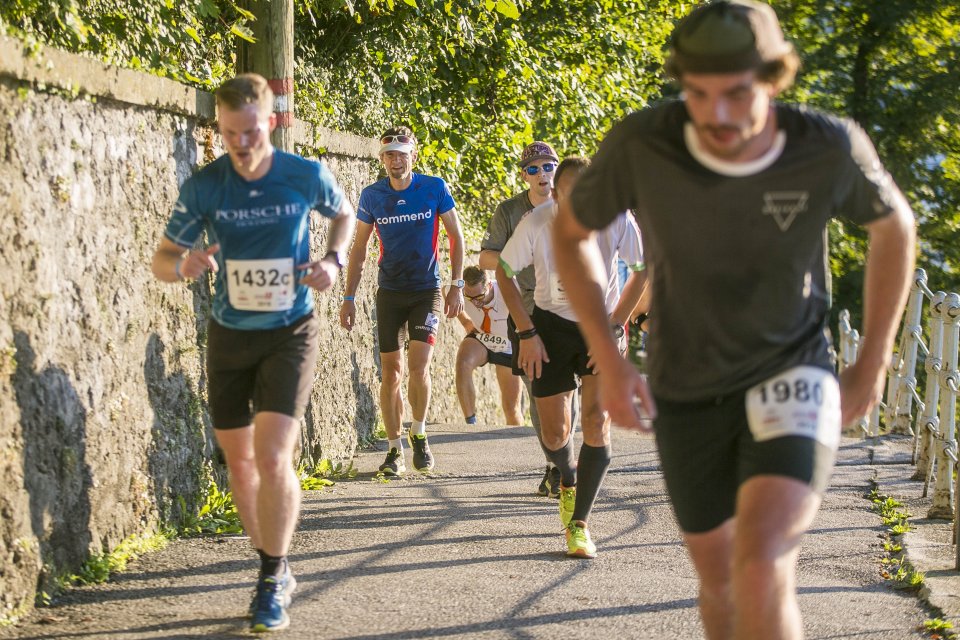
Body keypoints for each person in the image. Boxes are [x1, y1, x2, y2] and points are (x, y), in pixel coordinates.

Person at [552, 1, 916, 637]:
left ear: (774, 80)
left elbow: (894, 225)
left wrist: (873, 359)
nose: (717, 114)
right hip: (686, 385)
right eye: (698, 93)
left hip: (792, 370)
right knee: (719, 584)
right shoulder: (644, 142)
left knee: (760, 564)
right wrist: (609, 360)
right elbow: (572, 230)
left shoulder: (824, 145)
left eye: (738, 93)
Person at [151, 73, 356, 632]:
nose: (239, 144)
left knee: (271, 458)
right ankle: (272, 561)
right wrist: (183, 267)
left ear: (269, 122)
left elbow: (344, 215)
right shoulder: (206, 187)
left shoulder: (302, 175)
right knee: (240, 465)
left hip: (290, 329)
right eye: (228, 134)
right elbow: (163, 259)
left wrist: (334, 263)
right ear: (218, 130)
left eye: (248, 132)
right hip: (229, 334)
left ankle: (271, 575)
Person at [497, 156, 647, 558]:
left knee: (597, 421)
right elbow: (504, 272)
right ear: (556, 194)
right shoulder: (538, 221)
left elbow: (641, 269)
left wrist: (617, 327)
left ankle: (579, 526)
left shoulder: (617, 218)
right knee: (555, 433)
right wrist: (526, 332)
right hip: (550, 328)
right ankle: (567, 475)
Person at [339, 126, 464, 476]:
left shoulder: (434, 188)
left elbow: (455, 235)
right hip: (390, 292)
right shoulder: (372, 196)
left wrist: (456, 285)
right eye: (389, 155)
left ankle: (419, 433)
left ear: (414, 155)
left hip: (427, 290)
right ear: (382, 159)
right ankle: (394, 450)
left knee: (419, 365)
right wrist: (348, 297)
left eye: (402, 153)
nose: (396, 160)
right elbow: (360, 249)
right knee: (391, 373)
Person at [480, 141, 568, 498]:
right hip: (525, 310)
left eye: (548, 167)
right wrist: (518, 256)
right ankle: (554, 462)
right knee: (537, 390)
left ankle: (564, 465)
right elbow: (486, 256)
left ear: (557, 171)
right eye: (533, 169)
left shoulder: (571, 206)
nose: (542, 175)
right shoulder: (510, 211)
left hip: (566, 308)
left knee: (566, 390)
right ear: (524, 175)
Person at [455, 265, 523, 425]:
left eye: (479, 297)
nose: (475, 303)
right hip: (481, 337)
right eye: (469, 297)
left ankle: (515, 443)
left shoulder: (508, 290)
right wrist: (465, 321)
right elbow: (446, 293)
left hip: (507, 344)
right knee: (463, 363)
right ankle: (470, 423)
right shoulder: (461, 291)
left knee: (511, 408)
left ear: (489, 285)